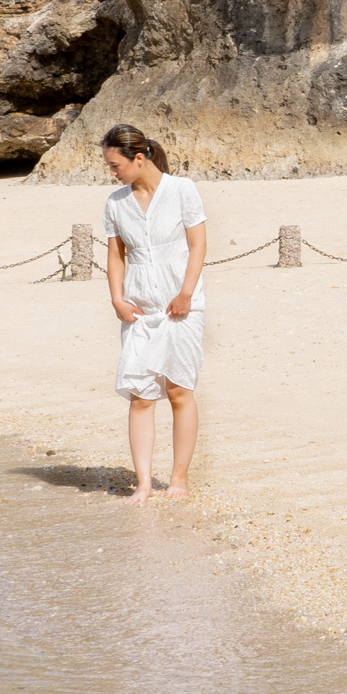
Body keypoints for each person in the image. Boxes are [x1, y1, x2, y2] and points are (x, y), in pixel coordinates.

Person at [101, 123, 208, 504]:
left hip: (180, 304)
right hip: (139, 306)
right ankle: (143, 483)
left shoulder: (182, 189)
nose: (112, 173)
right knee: (141, 396)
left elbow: (197, 246)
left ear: (139, 157)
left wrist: (186, 293)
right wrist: (117, 298)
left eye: (115, 165)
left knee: (179, 390)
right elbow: (116, 255)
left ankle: (178, 477)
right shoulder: (116, 203)